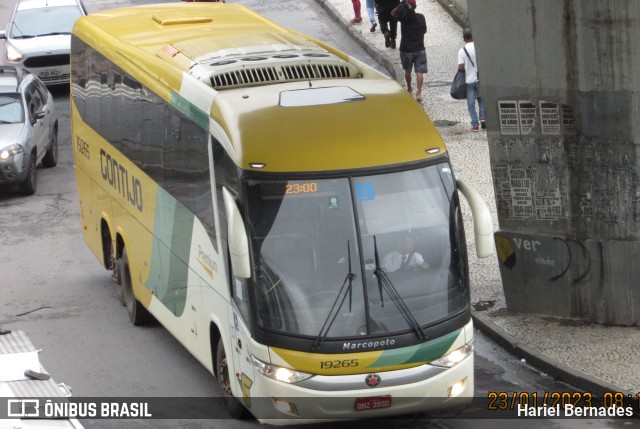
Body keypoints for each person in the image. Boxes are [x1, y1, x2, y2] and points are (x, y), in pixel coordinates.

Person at [393, 0, 427, 102]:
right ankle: (419, 92)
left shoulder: (403, 19)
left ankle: (409, 88)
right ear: (415, 6)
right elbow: (424, 30)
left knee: (407, 71)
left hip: (406, 49)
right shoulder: (421, 17)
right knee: (419, 71)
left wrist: (401, 5)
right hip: (420, 48)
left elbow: (393, 13)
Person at [458, 28, 485, 132]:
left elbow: (461, 67)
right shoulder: (479, 48)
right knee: (481, 99)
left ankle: (474, 124)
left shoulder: (462, 51)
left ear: (464, 38)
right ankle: (482, 117)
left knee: (470, 103)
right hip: (480, 78)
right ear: (473, 37)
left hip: (469, 80)